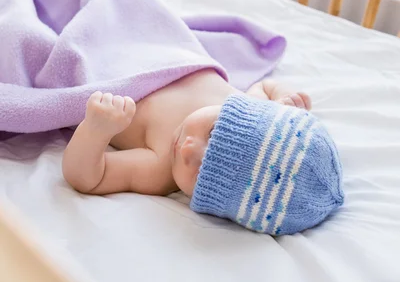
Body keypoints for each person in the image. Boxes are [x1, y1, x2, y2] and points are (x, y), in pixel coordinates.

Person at [62, 69, 344, 235]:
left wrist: (95, 129)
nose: (188, 149)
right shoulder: (244, 101)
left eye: (201, 170)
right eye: (210, 132)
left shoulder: (159, 170)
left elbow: (87, 177)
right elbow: (265, 85)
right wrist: (284, 94)